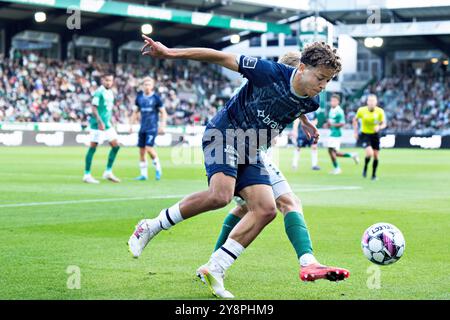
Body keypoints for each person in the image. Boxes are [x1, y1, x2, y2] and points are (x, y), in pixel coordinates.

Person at [128, 36, 347, 298]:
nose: (323, 86)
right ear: (301, 68)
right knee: (220, 195)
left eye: (328, 80)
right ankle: (151, 226)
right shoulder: (267, 71)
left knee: (266, 210)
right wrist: (171, 53)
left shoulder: (312, 102)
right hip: (224, 132)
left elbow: (293, 101)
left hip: (252, 148)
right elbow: (218, 56)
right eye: (320, 78)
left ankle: (216, 267)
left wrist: (305, 121)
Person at [204, 52, 349, 287]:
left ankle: (211, 263)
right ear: (297, 72)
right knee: (288, 203)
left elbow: (294, 101)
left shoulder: (281, 89)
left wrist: (304, 121)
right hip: (247, 151)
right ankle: (307, 260)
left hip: (247, 149)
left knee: (246, 209)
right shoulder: (266, 84)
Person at [83, 73, 121, 184]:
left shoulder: (110, 92)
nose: (108, 82)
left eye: (110, 80)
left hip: (107, 125)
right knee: (93, 148)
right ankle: (87, 174)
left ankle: (108, 172)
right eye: (106, 80)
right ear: (102, 80)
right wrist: (100, 122)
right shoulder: (99, 92)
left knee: (116, 147)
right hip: (97, 125)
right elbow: (94, 108)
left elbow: (107, 111)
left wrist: (112, 122)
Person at [130, 77, 167, 181]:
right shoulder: (139, 98)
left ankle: (158, 169)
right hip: (143, 127)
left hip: (152, 127)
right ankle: (143, 174)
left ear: (152, 86)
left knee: (149, 148)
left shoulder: (156, 98)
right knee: (141, 151)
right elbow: (135, 111)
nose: (147, 86)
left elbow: (163, 113)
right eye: (145, 84)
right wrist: (131, 125)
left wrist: (162, 126)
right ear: (142, 86)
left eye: (149, 84)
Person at [352, 94, 386, 180]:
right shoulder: (361, 110)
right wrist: (355, 132)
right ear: (367, 102)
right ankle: (365, 167)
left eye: (373, 101)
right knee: (369, 153)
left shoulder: (380, 111)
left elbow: (383, 124)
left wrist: (379, 127)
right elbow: (355, 120)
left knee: (376, 156)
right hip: (365, 134)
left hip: (375, 135)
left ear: (376, 102)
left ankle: (373, 175)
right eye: (369, 101)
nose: (371, 103)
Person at [326, 94, 359, 174]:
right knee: (333, 152)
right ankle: (352, 155)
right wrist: (328, 124)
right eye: (331, 101)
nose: (332, 102)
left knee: (331, 151)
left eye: (334, 101)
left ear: (338, 102)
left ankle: (337, 168)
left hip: (336, 134)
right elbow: (331, 121)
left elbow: (342, 123)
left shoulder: (339, 111)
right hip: (332, 133)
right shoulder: (331, 109)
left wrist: (332, 125)